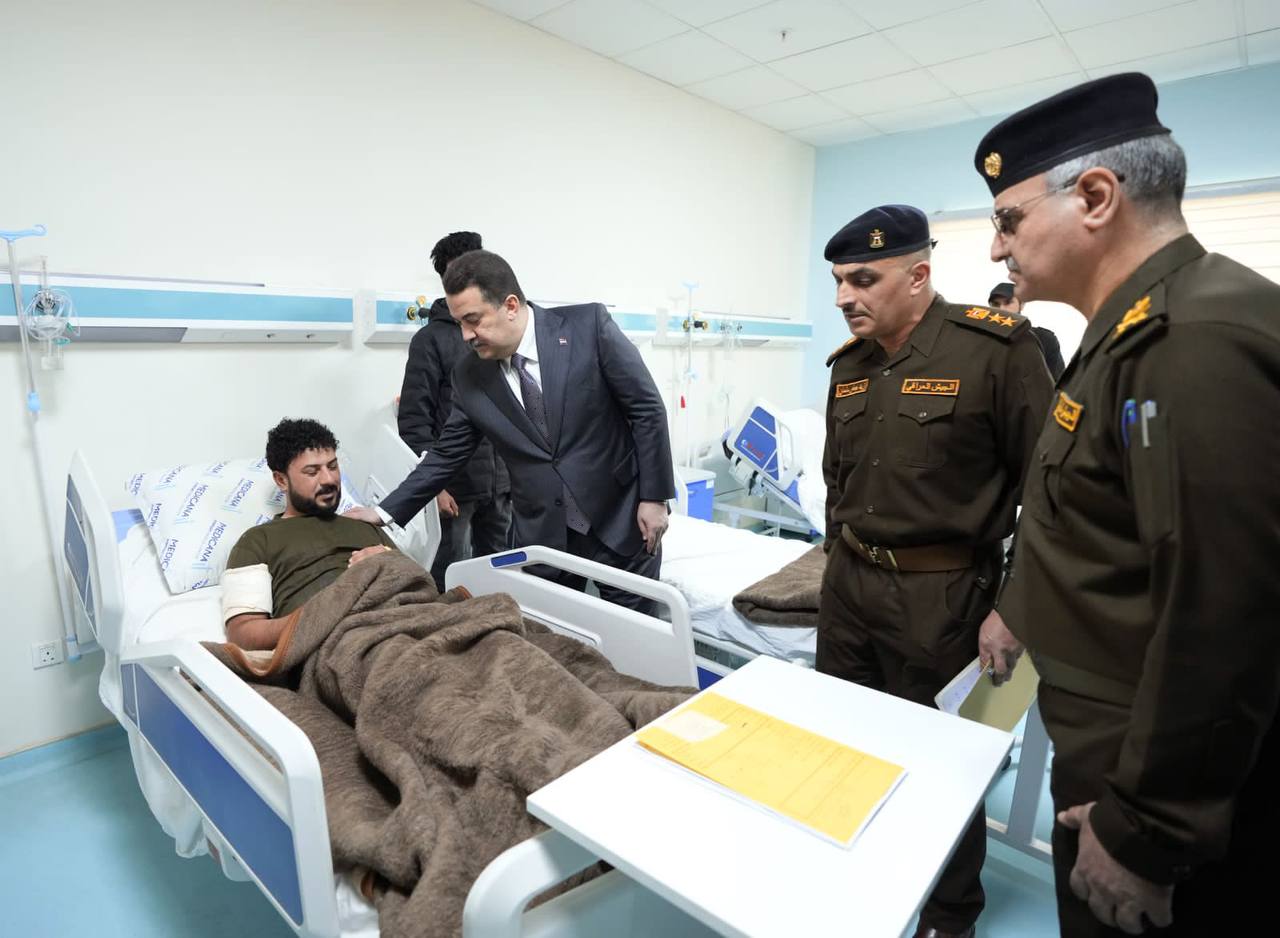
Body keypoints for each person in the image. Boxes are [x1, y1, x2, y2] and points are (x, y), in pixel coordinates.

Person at [974, 72, 1280, 936]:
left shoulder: (1194, 340)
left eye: (1009, 219)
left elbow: (1226, 617)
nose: (995, 250)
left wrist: (1147, 834)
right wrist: (1019, 610)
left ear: (1096, 198)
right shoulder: (1126, 332)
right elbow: (1096, 522)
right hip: (1113, 755)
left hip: (1148, 793)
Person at [818, 204, 1054, 938]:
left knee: (941, 766)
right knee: (844, 746)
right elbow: (836, 481)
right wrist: (833, 565)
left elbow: (1052, 493)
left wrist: (1015, 606)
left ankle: (949, 916)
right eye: (838, 281)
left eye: (863, 279)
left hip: (942, 595)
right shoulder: (848, 367)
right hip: (849, 588)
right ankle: (860, 880)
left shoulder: (995, 352)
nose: (844, 297)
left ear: (918, 275)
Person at [346, 249, 675, 614]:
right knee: (555, 636)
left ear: (511, 306)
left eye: (473, 320)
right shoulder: (470, 375)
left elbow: (646, 409)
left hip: (622, 518)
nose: (466, 335)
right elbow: (446, 454)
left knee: (638, 634)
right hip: (545, 537)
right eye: (459, 323)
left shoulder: (587, 328)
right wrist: (384, 512)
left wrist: (655, 497)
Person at [398, 230, 512, 589]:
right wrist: (436, 487)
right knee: (451, 579)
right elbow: (414, 422)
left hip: (501, 485)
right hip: (455, 489)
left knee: (500, 577)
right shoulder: (430, 341)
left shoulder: (501, 330)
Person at [221, 418, 397, 650]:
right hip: (343, 645)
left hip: (405, 624)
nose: (329, 479)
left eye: (332, 467)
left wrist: (389, 560)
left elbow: (419, 584)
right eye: (312, 472)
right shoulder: (258, 541)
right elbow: (244, 634)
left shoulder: (365, 525)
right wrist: (323, 614)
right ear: (281, 480)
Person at [988, 281, 1065, 380]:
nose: (1001, 309)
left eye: (1008, 302)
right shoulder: (983, 339)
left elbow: (1059, 383)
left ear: (1022, 304)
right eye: (995, 304)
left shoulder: (1044, 339)